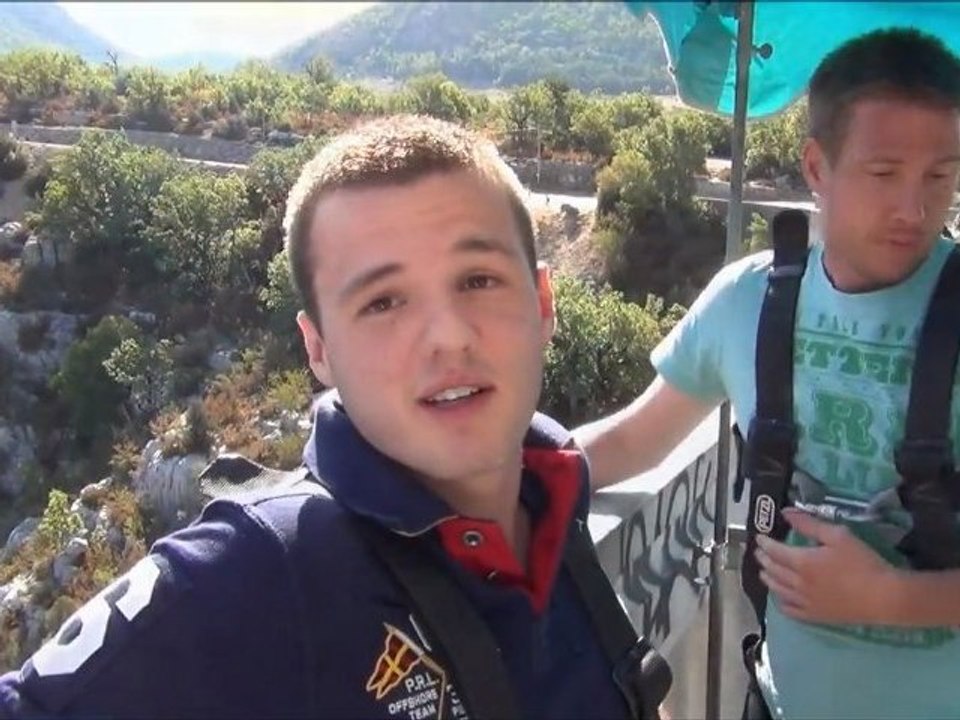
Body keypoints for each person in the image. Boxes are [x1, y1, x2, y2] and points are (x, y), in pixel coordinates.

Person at [0, 115, 659, 718]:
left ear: (542, 304)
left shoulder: (554, 494)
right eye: (383, 302)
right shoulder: (263, 569)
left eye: (478, 280)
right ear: (318, 349)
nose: (448, 336)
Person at [574, 27, 960, 720]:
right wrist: (488, 477)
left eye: (941, 176)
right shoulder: (749, 300)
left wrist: (893, 600)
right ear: (816, 166)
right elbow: (635, 440)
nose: (915, 208)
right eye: (884, 174)